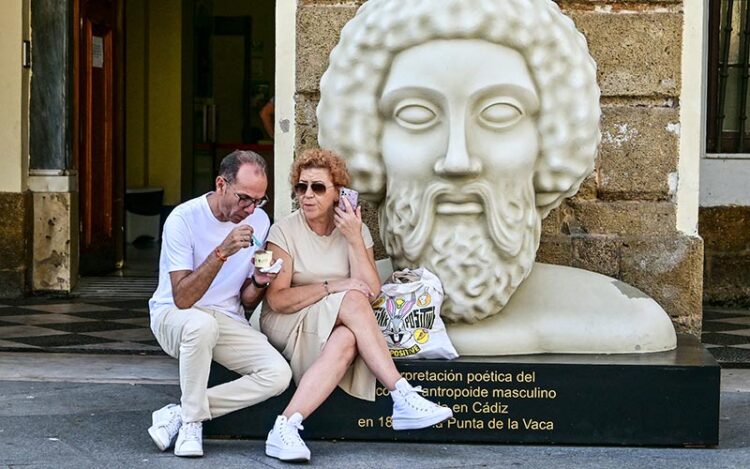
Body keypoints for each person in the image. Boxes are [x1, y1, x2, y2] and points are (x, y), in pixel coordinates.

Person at [317, 0, 676, 354]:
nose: (458, 161)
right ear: (369, 145)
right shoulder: (324, 302)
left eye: (500, 113)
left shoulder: (617, 318)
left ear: (550, 142)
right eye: (416, 114)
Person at [259, 148, 453, 462]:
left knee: (348, 337)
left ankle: (286, 425)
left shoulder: (355, 230)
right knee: (351, 297)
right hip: (289, 320)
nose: (307, 195)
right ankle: (401, 393)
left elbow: (372, 291)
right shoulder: (284, 231)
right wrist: (335, 286)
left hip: (335, 320)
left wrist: (352, 238)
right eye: (301, 186)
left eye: (318, 187)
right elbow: (278, 299)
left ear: (338, 192)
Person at [147, 150, 291, 457]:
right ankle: (192, 426)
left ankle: (183, 413)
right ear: (221, 184)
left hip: (225, 318)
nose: (251, 208)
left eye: (259, 200)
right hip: (174, 315)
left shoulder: (260, 222)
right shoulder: (183, 219)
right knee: (201, 324)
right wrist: (221, 253)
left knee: (278, 374)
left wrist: (259, 282)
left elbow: (245, 299)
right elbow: (183, 297)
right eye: (244, 198)